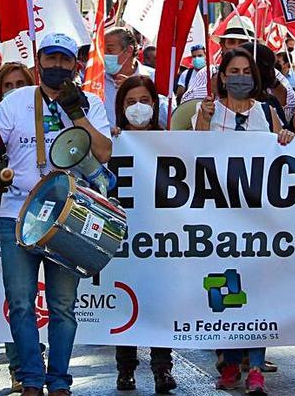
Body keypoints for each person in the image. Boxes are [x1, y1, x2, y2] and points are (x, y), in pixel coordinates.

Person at [0, 33, 111, 396]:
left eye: (64, 60)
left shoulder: (90, 103)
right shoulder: (15, 102)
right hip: (18, 212)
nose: (56, 67)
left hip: (69, 214)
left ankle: (59, 380)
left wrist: (77, 114)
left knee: (62, 305)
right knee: (20, 303)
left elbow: (103, 153)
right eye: (50, 60)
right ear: (39, 64)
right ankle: (31, 378)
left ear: (74, 65)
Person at [194, 48, 293, 396]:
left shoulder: (267, 111)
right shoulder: (207, 110)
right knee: (226, 287)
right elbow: (194, 155)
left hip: (258, 218)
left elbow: (285, 145)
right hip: (220, 219)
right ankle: (231, 361)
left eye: (245, 71)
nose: (239, 77)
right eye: (232, 71)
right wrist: (204, 121)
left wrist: (285, 139)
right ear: (221, 76)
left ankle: (255, 368)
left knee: (258, 291)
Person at [109, 75, 177, 393]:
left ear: (155, 104)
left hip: (160, 237)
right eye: (130, 102)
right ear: (121, 108)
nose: (138, 107)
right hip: (125, 236)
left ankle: (163, 368)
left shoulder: (169, 141)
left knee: (160, 302)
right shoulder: (112, 142)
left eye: (144, 101)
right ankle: (125, 369)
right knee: (126, 301)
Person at [102, 27, 156, 125]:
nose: (104, 55)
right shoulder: (96, 81)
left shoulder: (154, 77)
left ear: (128, 51)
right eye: (102, 50)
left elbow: (168, 116)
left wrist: (137, 89)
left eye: (109, 50)